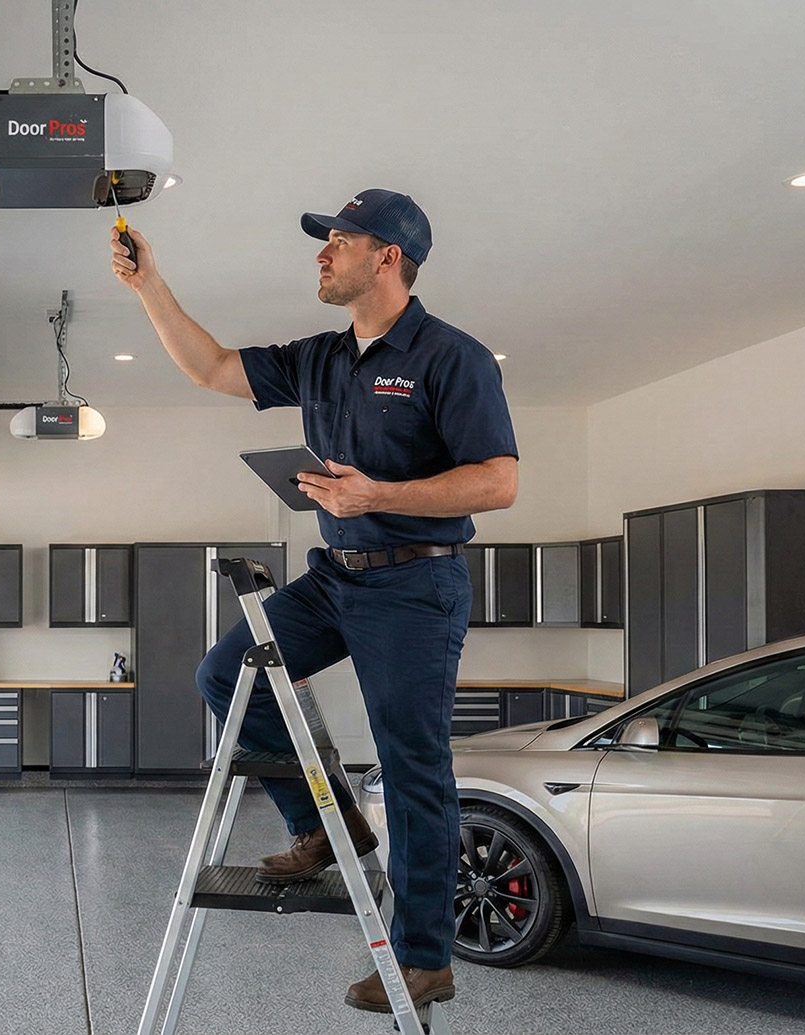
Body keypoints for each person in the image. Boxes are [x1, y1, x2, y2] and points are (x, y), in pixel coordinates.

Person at [110, 189, 517, 1014]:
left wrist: (379, 493)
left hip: (416, 582)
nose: (322, 255)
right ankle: (327, 827)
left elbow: (498, 480)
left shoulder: (451, 356)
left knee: (412, 766)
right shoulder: (322, 357)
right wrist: (150, 285)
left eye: (339, 241)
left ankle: (424, 958)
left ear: (388, 257)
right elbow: (214, 367)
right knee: (226, 673)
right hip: (338, 575)